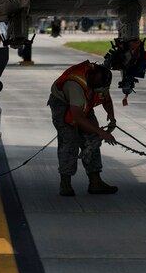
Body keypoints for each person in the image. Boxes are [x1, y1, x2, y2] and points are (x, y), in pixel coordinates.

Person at [47, 60, 118, 196]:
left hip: (84, 104)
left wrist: (111, 116)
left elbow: (106, 98)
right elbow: (78, 117)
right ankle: (65, 184)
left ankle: (95, 182)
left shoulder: (101, 80)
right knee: (70, 141)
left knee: (93, 139)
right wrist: (102, 132)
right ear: (91, 79)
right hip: (62, 104)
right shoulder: (75, 84)